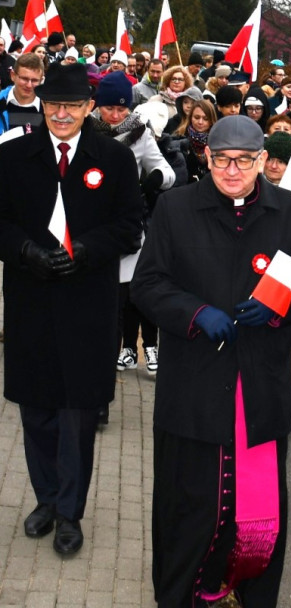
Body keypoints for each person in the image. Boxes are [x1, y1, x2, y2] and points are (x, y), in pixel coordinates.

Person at [131, 115, 291, 606]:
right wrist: (195, 313)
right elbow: (148, 285)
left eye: (244, 160)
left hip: (259, 388)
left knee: (256, 512)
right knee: (190, 507)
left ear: (263, 160)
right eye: (222, 160)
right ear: (207, 158)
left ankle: (249, 592)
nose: (232, 170)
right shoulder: (176, 209)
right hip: (193, 390)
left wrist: (279, 305)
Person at [0, 63, 144, 555]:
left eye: (72, 105)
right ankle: (45, 498)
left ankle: (69, 512)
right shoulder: (14, 156)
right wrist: (23, 251)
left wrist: (84, 249)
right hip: (30, 301)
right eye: (53, 104)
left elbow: (131, 227)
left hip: (87, 305)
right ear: (41, 105)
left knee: (77, 415)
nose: (62, 114)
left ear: (88, 108)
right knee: (37, 410)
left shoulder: (115, 159)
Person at [90, 71, 176, 377]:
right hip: (86, 228)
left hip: (125, 234)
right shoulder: (83, 127)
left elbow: (167, 173)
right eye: (109, 108)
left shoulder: (141, 133)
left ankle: (103, 384)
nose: (115, 115)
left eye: (122, 108)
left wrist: (150, 181)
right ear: (97, 104)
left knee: (115, 310)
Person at [171, 98, 217, 182]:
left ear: (211, 120)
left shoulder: (218, 141)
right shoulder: (178, 139)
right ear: (190, 118)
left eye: (205, 119)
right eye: (196, 117)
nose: (200, 122)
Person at [0, 53, 46, 135]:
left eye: (34, 80)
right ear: (12, 75)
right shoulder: (1, 101)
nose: (29, 85)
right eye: (24, 79)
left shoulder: (48, 107)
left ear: (41, 80)